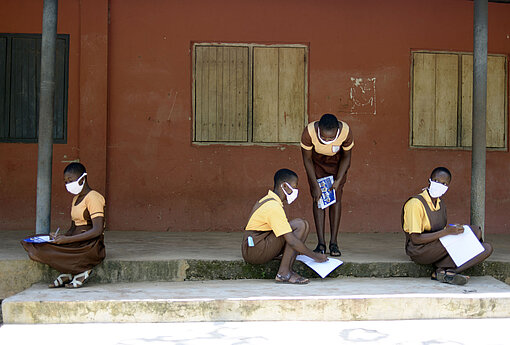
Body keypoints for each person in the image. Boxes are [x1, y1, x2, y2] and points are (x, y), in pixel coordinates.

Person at [402, 167, 493, 285]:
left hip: (436, 246)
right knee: (471, 235)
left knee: (484, 245)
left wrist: (452, 230)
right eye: (436, 181)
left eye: (444, 183)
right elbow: (416, 239)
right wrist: (447, 232)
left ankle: (446, 271)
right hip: (419, 250)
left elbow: (440, 230)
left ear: (447, 187)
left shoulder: (440, 203)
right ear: (429, 180)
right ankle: (445, 270)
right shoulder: (415, 204)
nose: (440, 185)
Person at [21, 162, 106, 288]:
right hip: (76, 240)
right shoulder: (76, 198)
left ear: (83, 178)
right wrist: (59, 237)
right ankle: (71, 271)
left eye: (70, 180)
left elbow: (97, 230)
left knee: (41, 251)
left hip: (90, 245)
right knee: (35, 243)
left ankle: (78, 270)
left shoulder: (93, 197)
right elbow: (73, 228)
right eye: (65, 181)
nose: (68, 184)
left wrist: (68, 240)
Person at [241, 168, 327, 284]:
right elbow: (291, 241)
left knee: (303, 224)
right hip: (255, 251)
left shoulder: (269, 199)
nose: (296, 190)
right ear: (285, 186)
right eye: (294, 186)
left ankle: (287, 269)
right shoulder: (273, 206)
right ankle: (284, 273)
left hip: (254, 247)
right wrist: (315, 256)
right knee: (300, 225)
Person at [300, 113, 354, 256]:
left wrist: (338, 180)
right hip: (316, 165)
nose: (328, 141)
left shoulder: (346, 132)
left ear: (337, 131)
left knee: (335, 200)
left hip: (338, 166)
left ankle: (334, 243)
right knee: (318, 201)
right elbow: (307, 160)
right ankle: (321, 243)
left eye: (331, 138)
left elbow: (347, 157)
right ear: (319, 130)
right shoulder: (309, 132)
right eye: (324, 138)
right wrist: (314, 185)